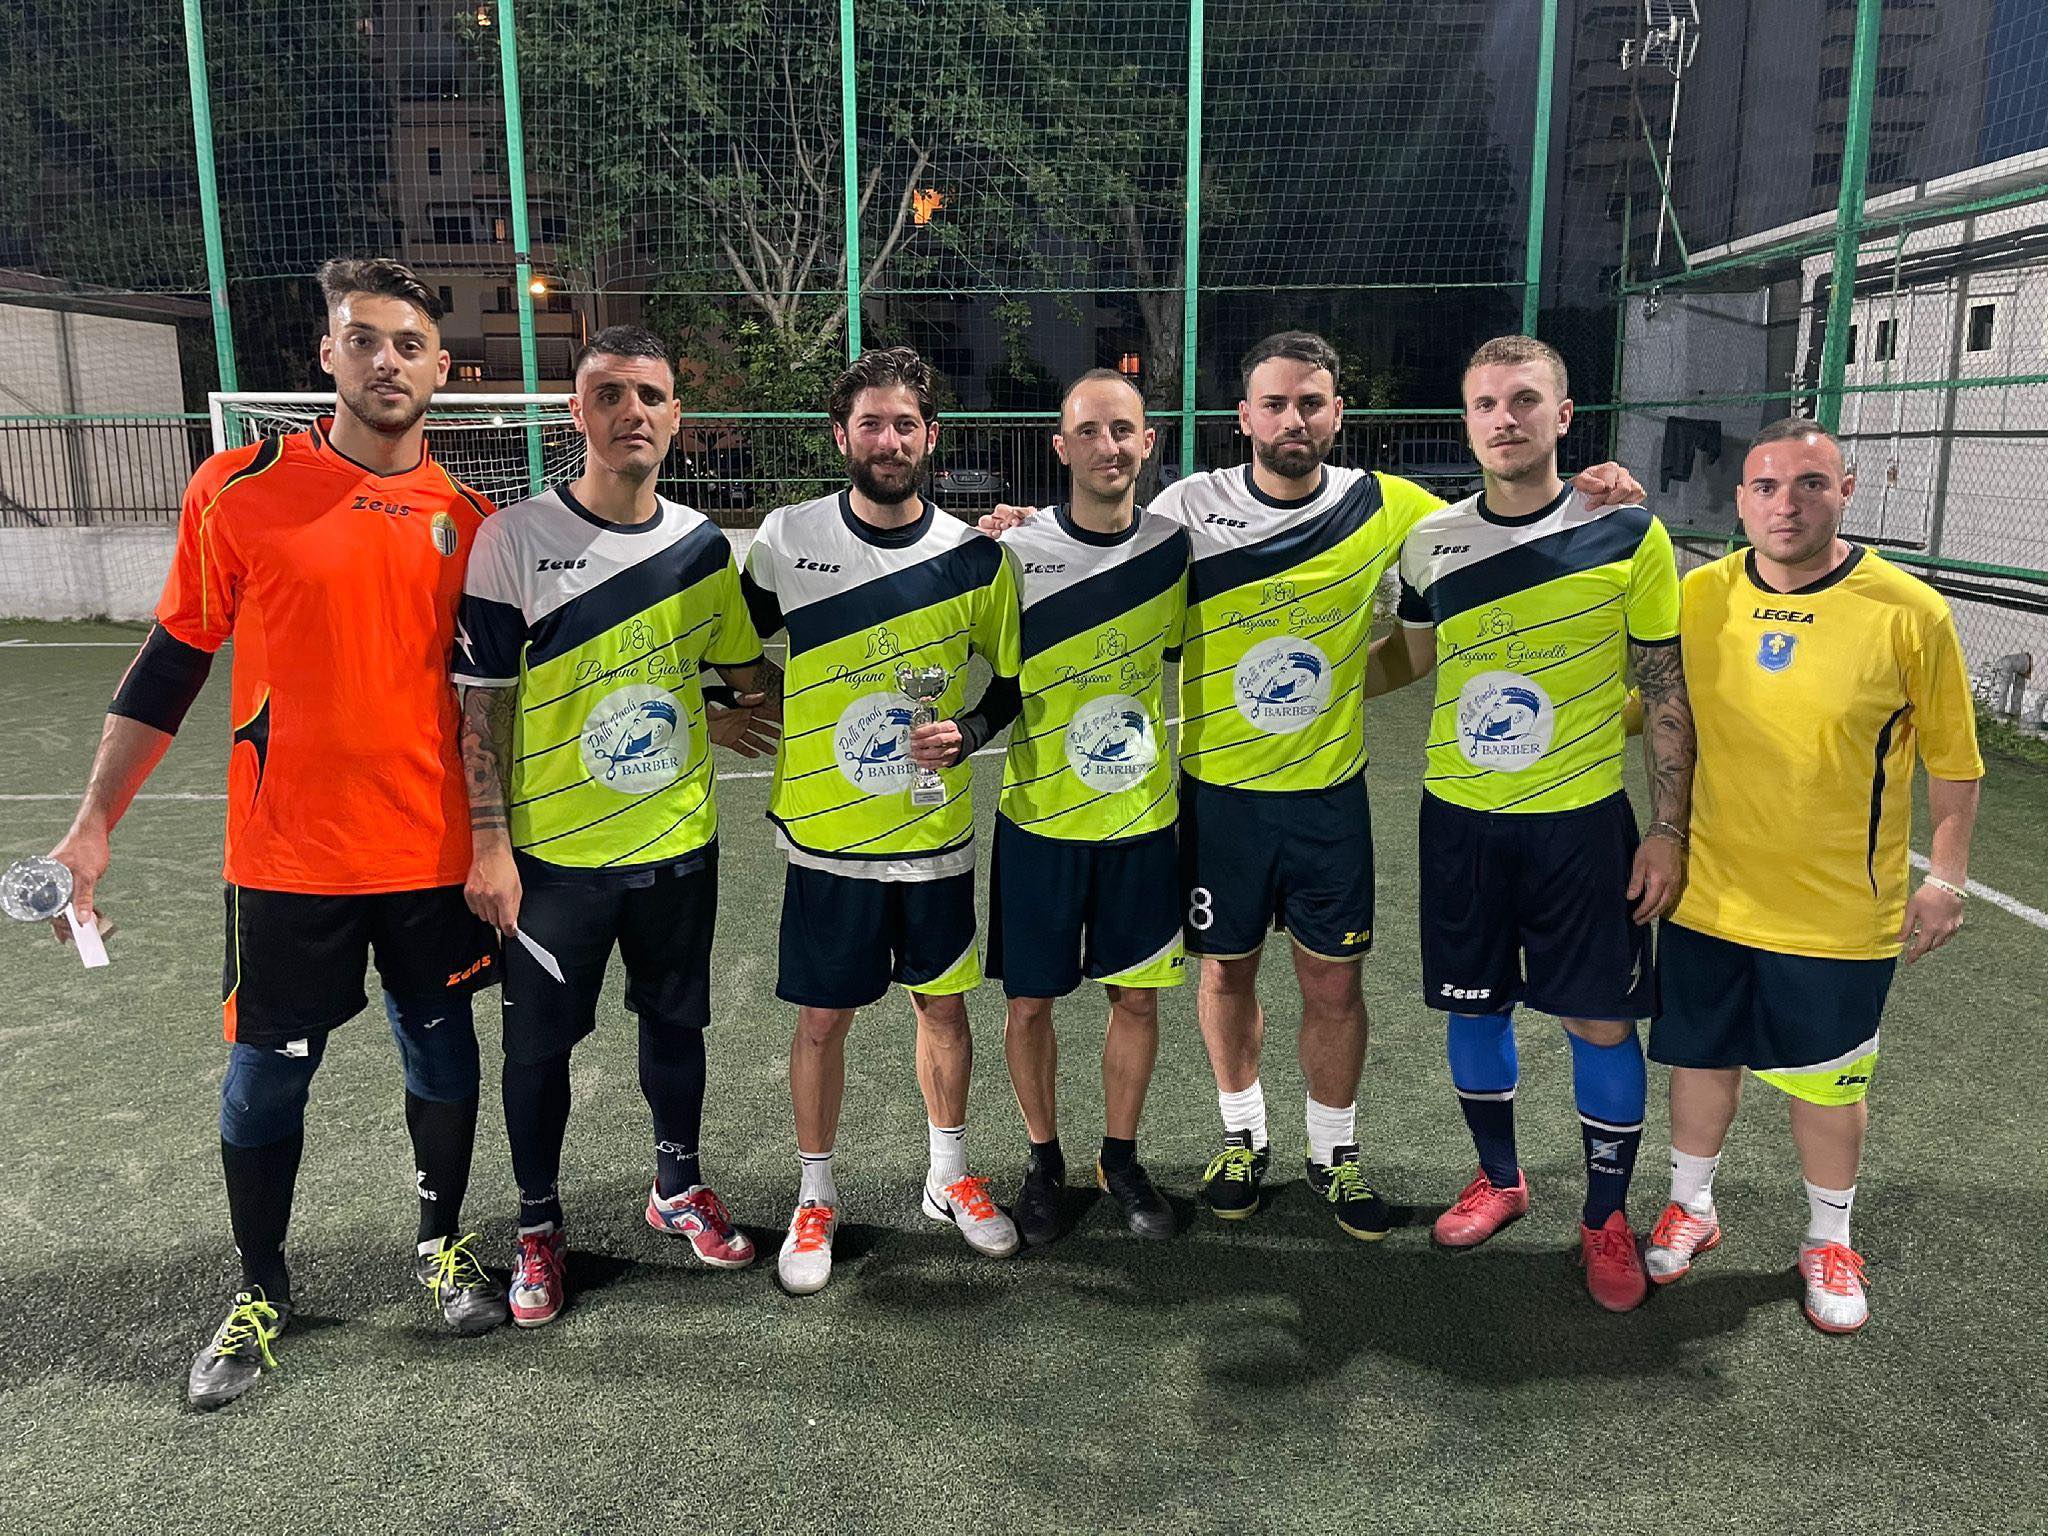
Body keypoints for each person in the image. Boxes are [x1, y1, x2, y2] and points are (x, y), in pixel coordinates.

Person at [984, 331, 1642, 1242]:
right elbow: (1097, 539)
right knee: (1228, 971)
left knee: (1334, 985)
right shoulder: (1187, 508)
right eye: (1276, 403)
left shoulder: (1391, 507)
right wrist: (1017, 528)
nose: (1294, 420)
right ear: (1243, 417)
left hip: (1330, 795)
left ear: (1338, 414)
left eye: (1313, 403)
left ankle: (1333, 1154)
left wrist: (1589, 495)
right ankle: (1241, 1140)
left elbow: (1492, 524)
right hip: (1219, 798)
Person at [43, 257, 507, 1410]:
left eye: (409, 344)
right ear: (327, 354)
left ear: (443, 370)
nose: (387, 360)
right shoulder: (237, 487)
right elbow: (170, 663)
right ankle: (261, 1288)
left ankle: (441, 1244)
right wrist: (91, 826)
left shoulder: (472, 524)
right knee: (266, 1079)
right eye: (365, 339)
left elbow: (501, 697)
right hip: (287, 858)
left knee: (442, 1052)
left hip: (430, 856)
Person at [452, 325, 775, 1326]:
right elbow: (481, 709)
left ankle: (675, 1185)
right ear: (576, 413)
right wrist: (491, 842)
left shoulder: (698, 549)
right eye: (610, 395)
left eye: (651, 395)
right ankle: (538, 1226)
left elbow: (744, 679)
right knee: (538, 1052)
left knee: (676, 1025)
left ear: (675, 416)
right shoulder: (511, 540)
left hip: (677, 843)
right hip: (553, 861)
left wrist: (721, 713)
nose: (632, 413)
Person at [1365, 335, 1691, 1311]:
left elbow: (1663, 687)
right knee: (1474, 1007)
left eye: (1520, 400)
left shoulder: (1628, 532)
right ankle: (1500, 1181)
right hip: (1459, 821)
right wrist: (1319, 682)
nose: (1501, 419)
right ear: (1465, 422)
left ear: (1561, 415)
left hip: (1578, 825)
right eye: (1482, 404)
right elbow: (1409, 658)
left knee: (1596, 1019)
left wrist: (1668, 826)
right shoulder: (1431, 543)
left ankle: (1603, 1218)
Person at [1641, 417, 1982, 1334]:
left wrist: (1945, 877)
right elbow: (1657, 711)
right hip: (1709, 894)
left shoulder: (1909, 611)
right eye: (1764, 486)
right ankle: (1693, 1208)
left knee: (1828, 1084)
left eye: (1809, 485)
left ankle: (1828, 1238)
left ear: (1847, 492)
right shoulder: (1700, 594)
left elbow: (1953, 760)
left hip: (1840, 909)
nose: (1785, 504)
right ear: (1741, 498)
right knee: (1700, 1057)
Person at [740, 347, 1024, 1295]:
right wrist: (726, 705)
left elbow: (1012, 687)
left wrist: (970, 727)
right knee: (823, 1021)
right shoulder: (785, 538)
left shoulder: (976, 558)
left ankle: (948, 1174)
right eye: (872, 423)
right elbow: (721, 642)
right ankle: (815, 1193)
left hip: (933, 838)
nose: (889, 440)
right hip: (826, 839)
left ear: (930, 437)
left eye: (905, 424)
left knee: (943, 1007)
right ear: (841, 436)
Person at [988, 370, 1188, 1245]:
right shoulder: (1014, 558)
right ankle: (1043, 1160)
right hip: (1038, 822)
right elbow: (992, 680)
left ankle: (1121, 1155)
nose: (1110, 446)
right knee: (1030, 1004)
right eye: (1092, 432)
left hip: (1143, 825)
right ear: (1062, 447)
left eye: (1126, 430)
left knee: (1135, 1002)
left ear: (1148, 443)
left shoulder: (1180, 552)